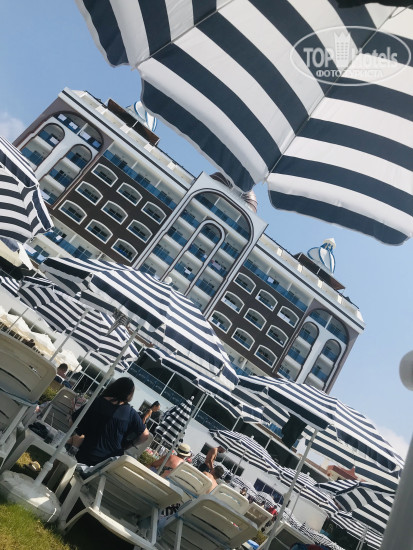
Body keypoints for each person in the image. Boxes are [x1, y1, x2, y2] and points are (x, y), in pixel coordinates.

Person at [70, 377, 149, 466]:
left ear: (114, 387)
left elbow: (73, 422)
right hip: (110, 462)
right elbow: (145, 435)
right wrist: (129, 445)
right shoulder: (130, 413)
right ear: (130, 394)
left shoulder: (97, 402)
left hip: (85, 455)